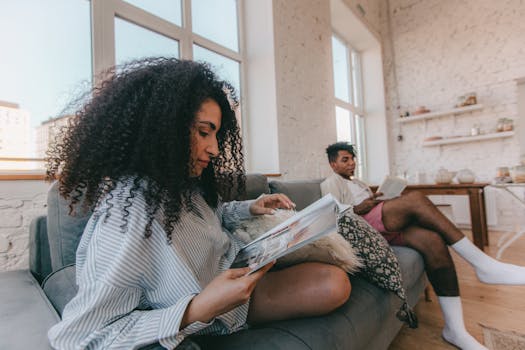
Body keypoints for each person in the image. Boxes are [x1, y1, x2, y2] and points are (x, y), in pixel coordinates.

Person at [46, 58, 351, 349]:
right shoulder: (128, 215)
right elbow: (78, 337)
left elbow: (212, 216)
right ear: (161, 129)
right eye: (204, 132)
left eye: (216, 134)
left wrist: (250, 207)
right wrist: (197, 308)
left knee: (331, 259)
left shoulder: (180, 184)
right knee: (333, 284)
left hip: (238, 263)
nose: (215, 148)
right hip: (222, 302)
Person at [321, 142, 525, 350]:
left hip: (380, 224)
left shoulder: (359, 183)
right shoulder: (331, 182)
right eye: (345, 160)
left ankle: (455, 330)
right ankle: (484, 264)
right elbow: (335, 217)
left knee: (433, 241)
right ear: (333, 164)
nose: (351, 163)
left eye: (353, 159)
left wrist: (380, 200)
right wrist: (359, 207)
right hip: (362, 227)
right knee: (417, 199)